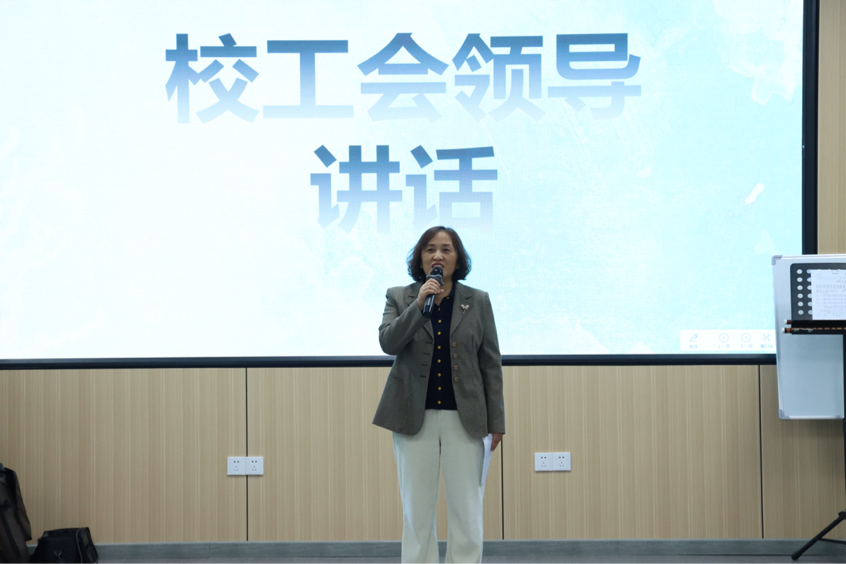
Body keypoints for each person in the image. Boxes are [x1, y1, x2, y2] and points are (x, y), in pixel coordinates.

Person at [373, 226, 505, 564]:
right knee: (416, 512)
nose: (437, 255)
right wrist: (419, 305)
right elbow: (389, 342)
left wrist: (497, 421)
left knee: (467, 510)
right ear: (419, 258)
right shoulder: (400, 297)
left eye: (446, 249)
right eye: (430, 249)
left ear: (457, 259)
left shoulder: (478, 300)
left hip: (467, 418)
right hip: (413, 417)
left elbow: (490, 363)